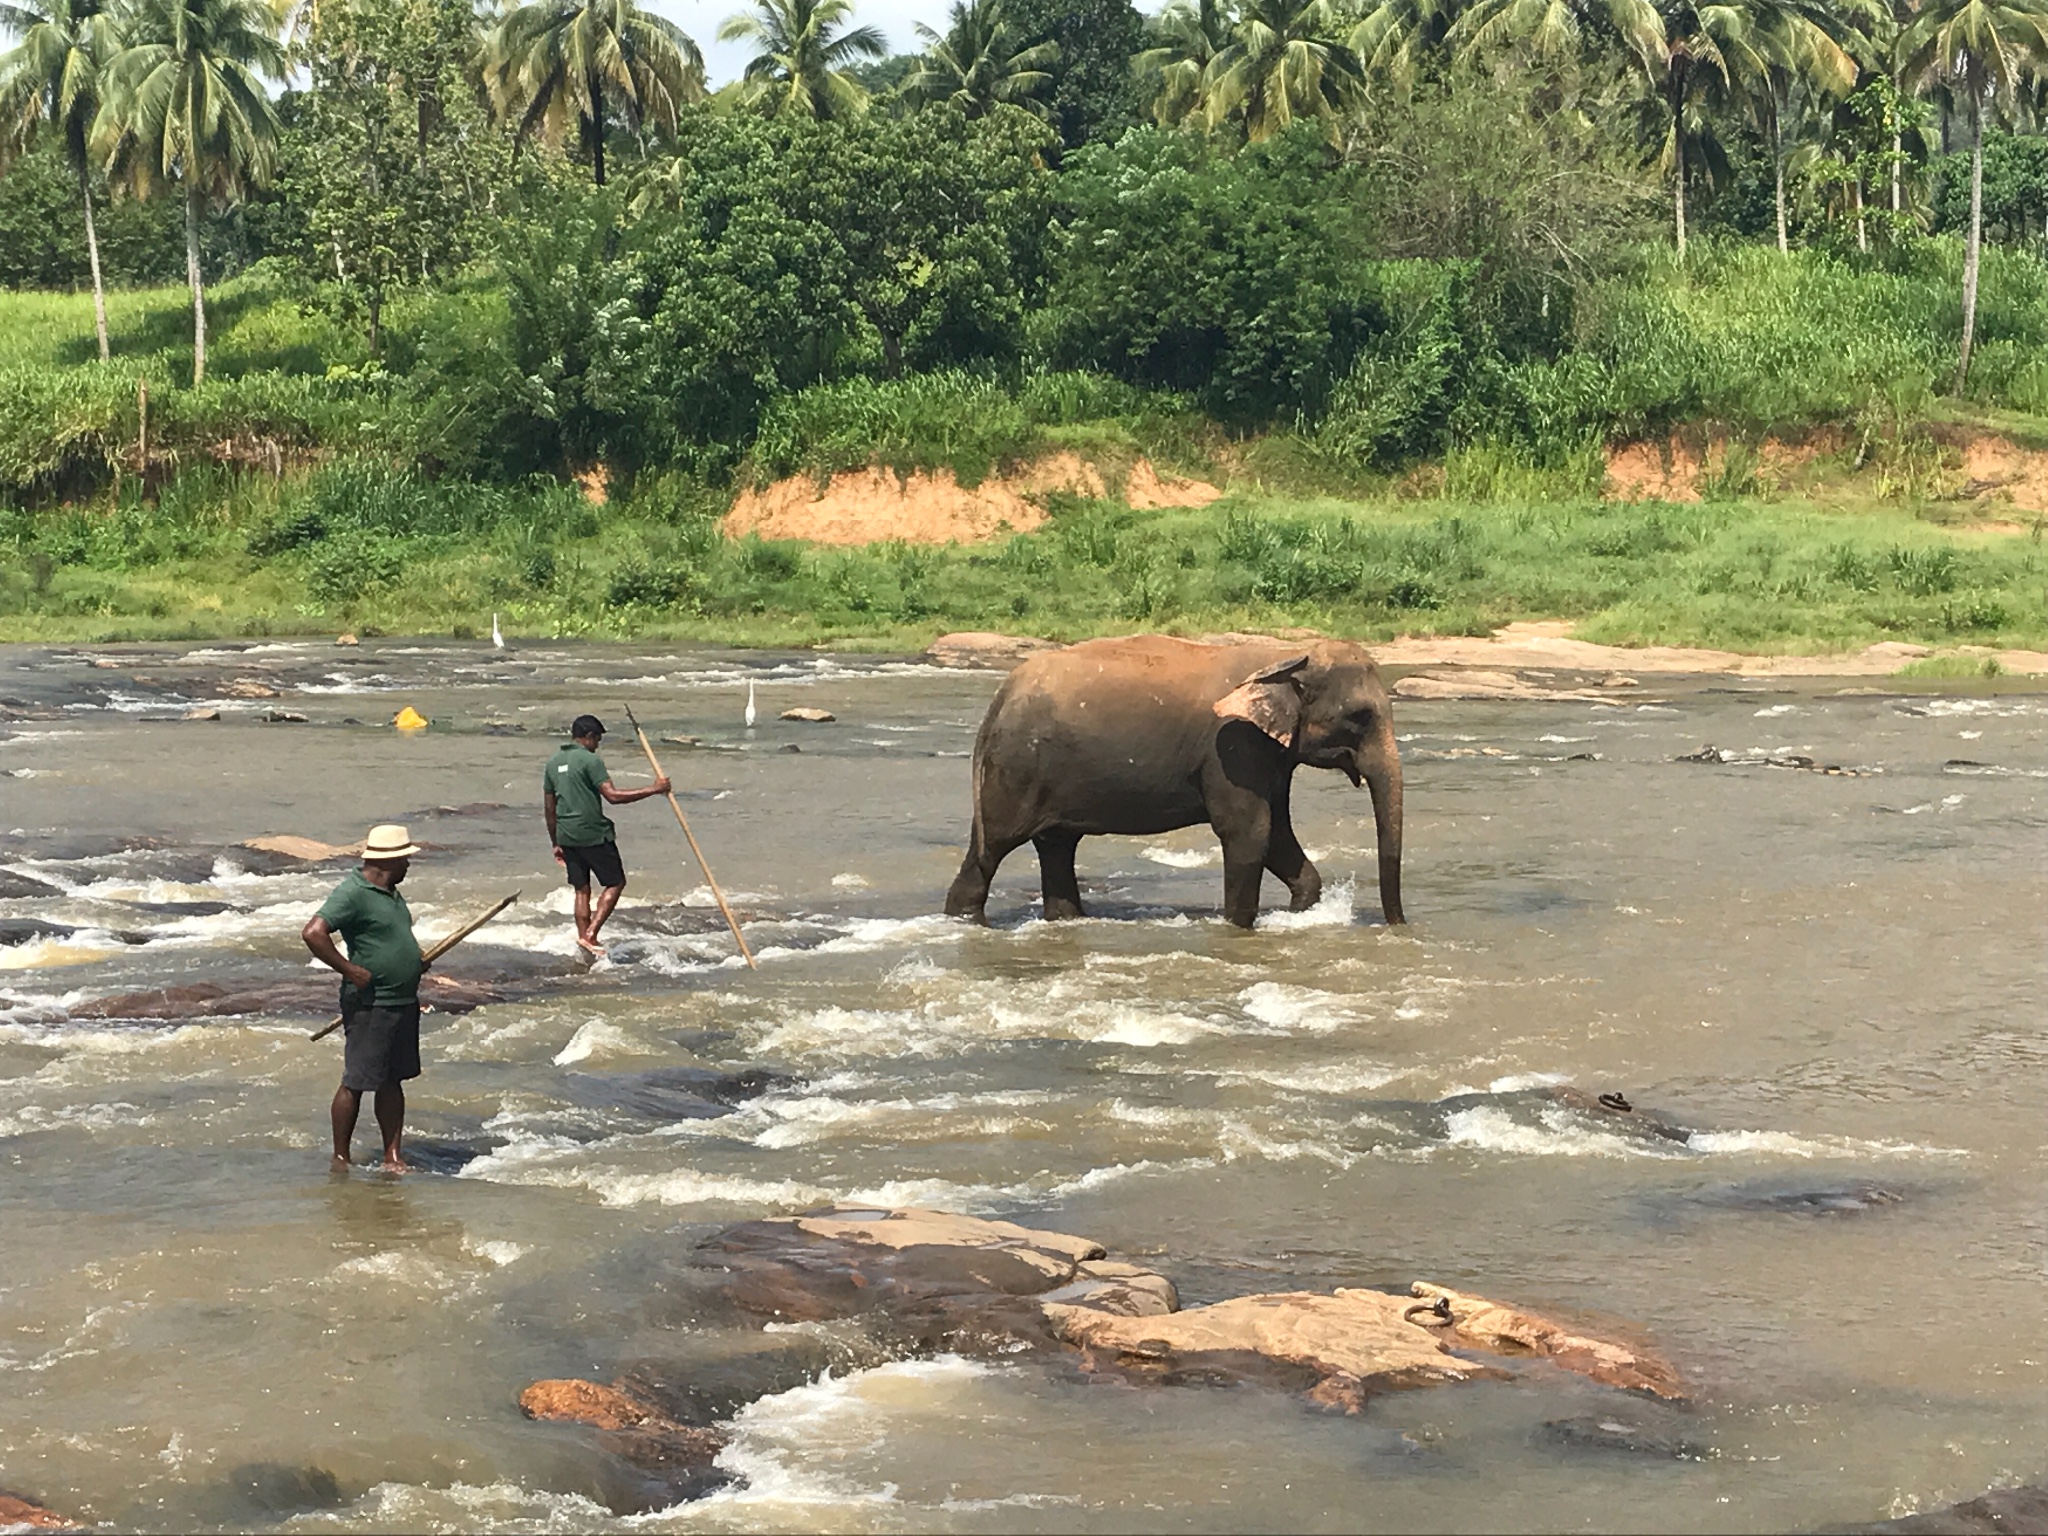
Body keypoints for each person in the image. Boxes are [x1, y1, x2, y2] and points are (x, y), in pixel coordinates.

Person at [302, 824, 428, 1173]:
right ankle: (340, 1156)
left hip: (402, 999)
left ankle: (393, 1156)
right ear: (389, 861)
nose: (409, 865)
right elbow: (314, 933)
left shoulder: (390, 892)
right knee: (357, 1081)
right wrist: (349, 970)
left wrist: (414, 957)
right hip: (370, 1003)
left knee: (393, 1079)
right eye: (405, 859)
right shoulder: (353, 893)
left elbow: (394, 934)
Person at [543, 714, 670, 957]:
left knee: (582, 890)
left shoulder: (552, 763)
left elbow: (549, 809)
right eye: (598, 739)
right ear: (589, 737)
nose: (598, 744)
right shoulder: (590, 761)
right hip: (592, 833)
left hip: (566, 834)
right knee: (615, 882)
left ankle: (585, 940)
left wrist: (555, 842)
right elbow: (613, 796)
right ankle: (591, 934)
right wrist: (655, 789)